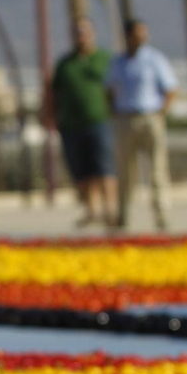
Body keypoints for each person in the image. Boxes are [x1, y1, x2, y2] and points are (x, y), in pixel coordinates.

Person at [106, 19, 178, 232]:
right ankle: (123, 216)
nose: (142, 37)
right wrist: (114, 113)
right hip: (126, 119)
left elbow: (171, 88)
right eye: (138, 33)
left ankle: (161, 216)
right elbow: (109, 90)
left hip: (150, 117)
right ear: (128, 36)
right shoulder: (118, 63)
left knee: (157, 170)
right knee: (125, 171)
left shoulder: (154, 59)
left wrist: (160, 112)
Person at [50, 18, 115, 227]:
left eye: (85, 32)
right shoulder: (65, 63)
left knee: (104, 167)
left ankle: (110, 210)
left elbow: (116, 88)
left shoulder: (105, 59)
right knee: (82, 170)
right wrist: (50, 117)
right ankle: (91, 210)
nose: (81, 36)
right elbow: (52, 93)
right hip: (71, 124)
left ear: (93, 33)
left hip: (100, 121)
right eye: (77, 32)